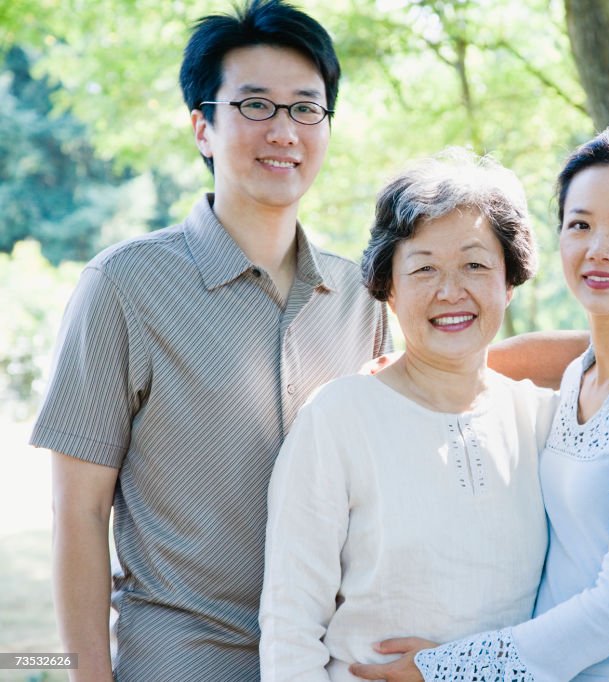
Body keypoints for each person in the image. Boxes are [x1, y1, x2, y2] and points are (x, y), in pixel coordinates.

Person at [30, 2, 389, 679]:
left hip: (327, 662)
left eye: (306, 108)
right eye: (255, 106)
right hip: (180, 660)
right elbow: (77, 513)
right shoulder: (124, 286)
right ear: (203, 127)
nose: (283, 130)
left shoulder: (359, 298)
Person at [352, 125, 609, 682]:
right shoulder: (580, 374)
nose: (598, 249)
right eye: (580, 225)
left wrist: (443, 668)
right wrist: (413, 373)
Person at [258, 151, 558, 680]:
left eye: (475, 264)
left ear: (508, 282)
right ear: (388, 288)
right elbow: (290, 627)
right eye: (423, 269)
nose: (450, 291)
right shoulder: (338, 419)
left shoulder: (544, 420)